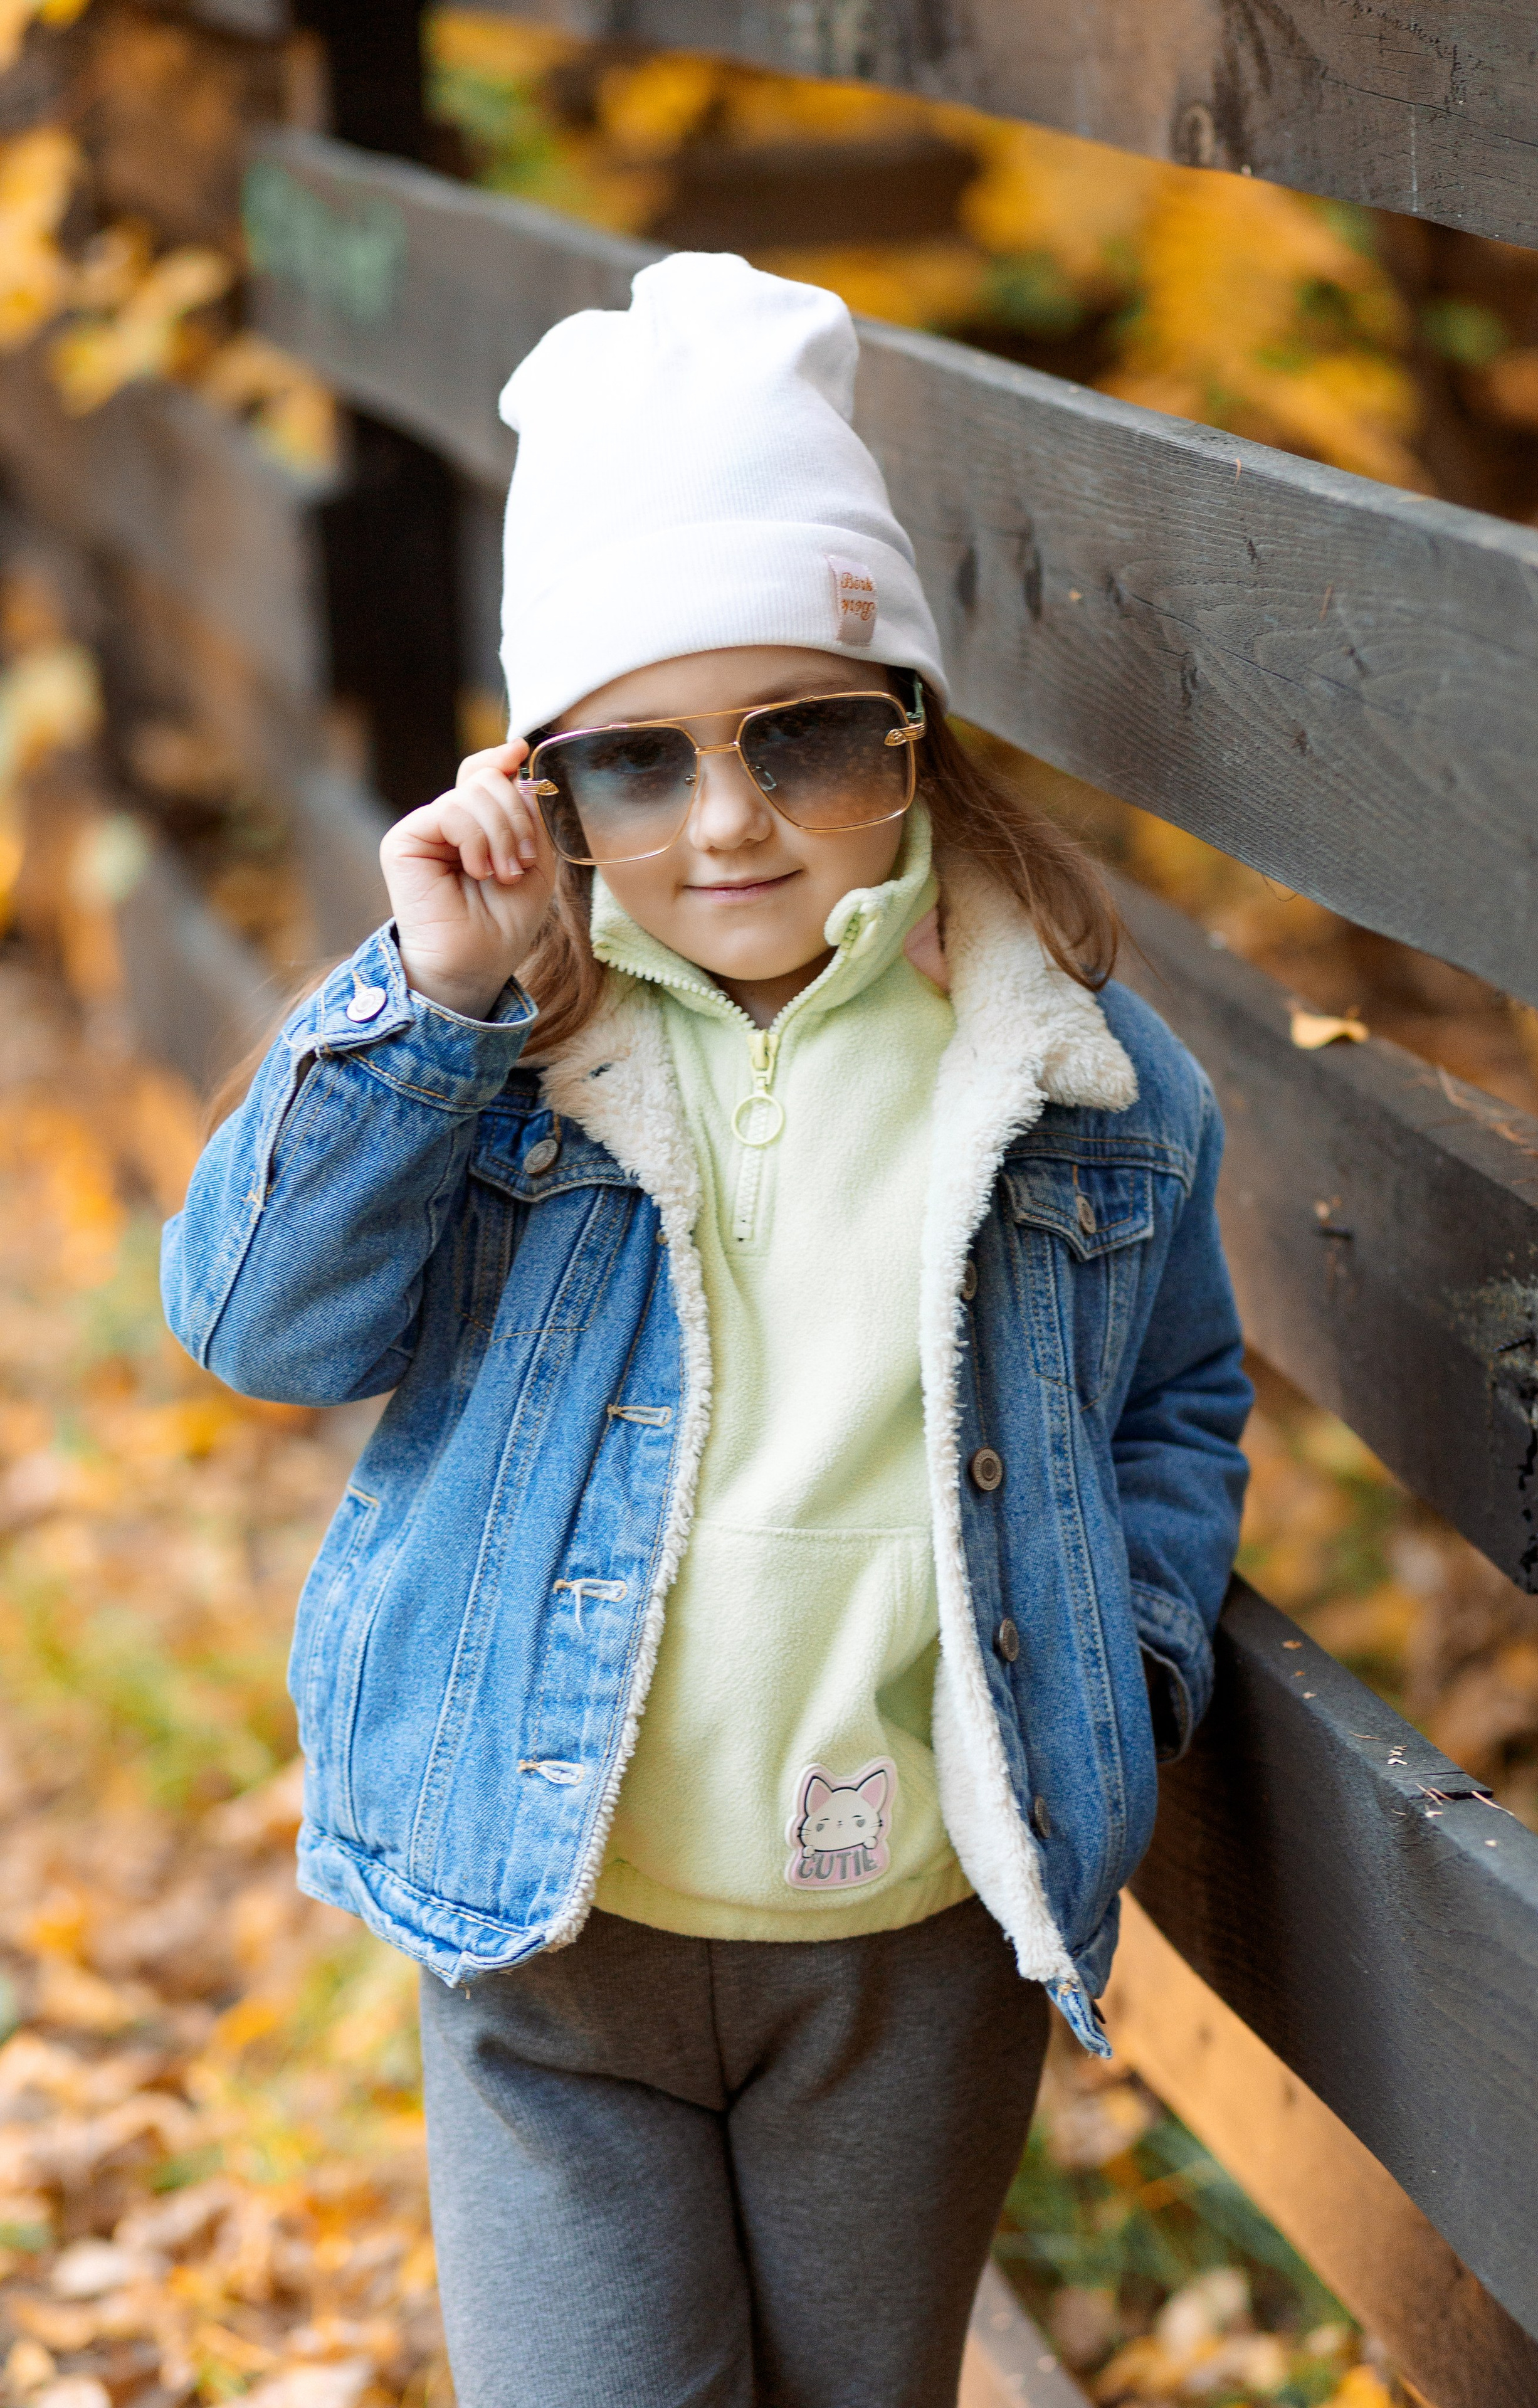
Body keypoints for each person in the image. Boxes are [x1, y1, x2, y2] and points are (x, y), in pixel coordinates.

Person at [162, 252, 1251, 2408]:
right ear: (543, 789)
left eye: (806, 735)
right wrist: (432, 999)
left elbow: (1178, 1399)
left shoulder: (1074, 1079)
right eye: (636, 763)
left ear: (912, 733)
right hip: (558, 1928)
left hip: (907, 1947)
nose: (729, 819)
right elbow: (261, 1328)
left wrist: (1120, 1664)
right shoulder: (504, 1059)